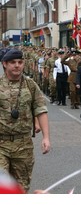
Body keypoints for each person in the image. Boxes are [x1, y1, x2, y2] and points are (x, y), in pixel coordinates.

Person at [0, 49, 50, 192]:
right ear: (5, 64)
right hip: (1, 143)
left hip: (23, 144)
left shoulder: (30, 85)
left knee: (21, 188)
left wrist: (46, 138)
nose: (17, 65)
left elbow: (41, 109)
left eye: (20, 62)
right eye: (13, 62)